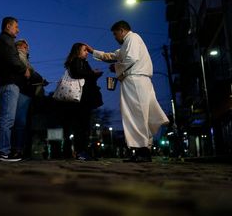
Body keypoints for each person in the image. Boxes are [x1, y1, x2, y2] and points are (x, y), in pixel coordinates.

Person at [87, 20, 169, 162]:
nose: (115, 38)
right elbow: (111, 56)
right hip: (141, 80)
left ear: (122, 30)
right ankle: (143, 150)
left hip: (135, 80)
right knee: (143, 115)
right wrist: (93, 51)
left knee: (135, 114)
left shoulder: (132, 38)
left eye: (115, 34)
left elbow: (131, 58)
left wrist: (116, 68)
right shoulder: (127, 44)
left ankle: (142, 150)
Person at [0, 16, 30, 161]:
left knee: (6, 119)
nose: (18, 30)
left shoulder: (3, 41)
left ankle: (3, 151)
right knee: (7, 119)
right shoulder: (6, 41)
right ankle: (3, 152)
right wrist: (24, 69)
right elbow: (13, 61)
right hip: (8, 84)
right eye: (16, 27)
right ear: (8, 26)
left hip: (4, 83)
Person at [58, 43, 103, 161]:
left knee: (82, 126)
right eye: (85, 50)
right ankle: (81, 152)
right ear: (78, 51)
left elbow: (85, 76)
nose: (87, 52)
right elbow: (78, 73)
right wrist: (93, 74)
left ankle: (81, 151)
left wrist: (94, 75)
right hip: (80, 99)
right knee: (82, 126)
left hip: (82, 98)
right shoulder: (76, 61)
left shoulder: (81, 62)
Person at [14, 39, 48, 158]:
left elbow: (32, 73)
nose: (27, 48)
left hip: (27, 93)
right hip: (22, 92)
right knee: (21, 122)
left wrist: (40, 80)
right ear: (19, 47)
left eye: (27, 46)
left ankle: (23, 150)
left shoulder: (26, 60)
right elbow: (28, 73)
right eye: (25, 46)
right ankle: (18, 150)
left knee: (26, 123)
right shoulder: (19, 56)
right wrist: (39, 79)